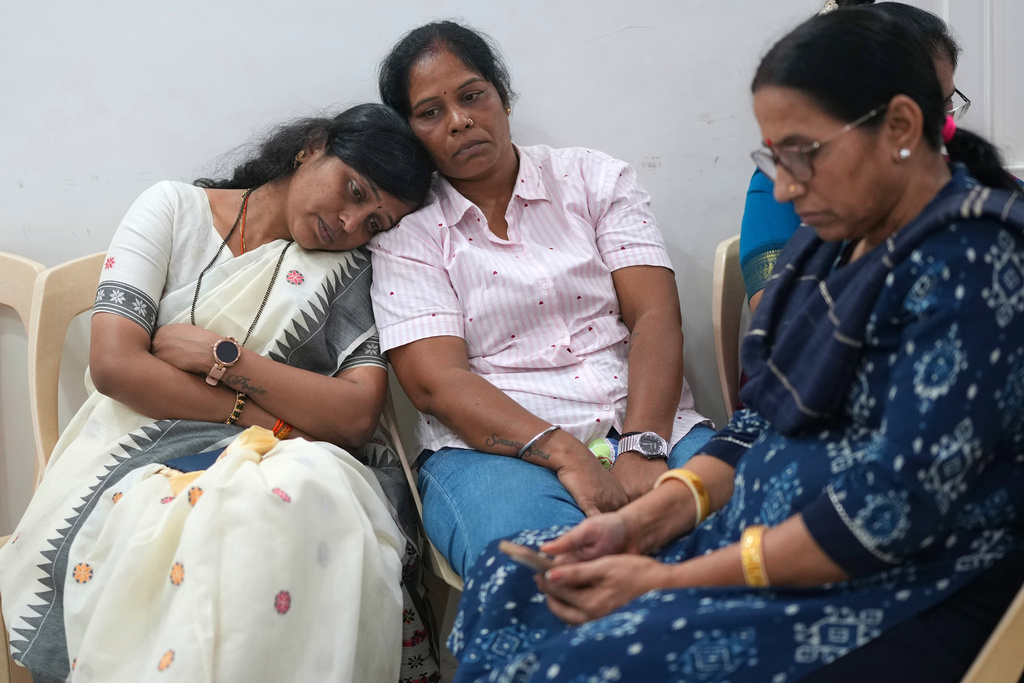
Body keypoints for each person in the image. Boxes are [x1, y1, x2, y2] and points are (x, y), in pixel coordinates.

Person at [444, 8, 1024, 682]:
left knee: (580, 664)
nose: (782, 187)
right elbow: (758, 421)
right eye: (773, 157)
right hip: (759, 542)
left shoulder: (971, 265)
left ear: (899, 126)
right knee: (514, 576)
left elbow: (885, 513)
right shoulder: (835, 240)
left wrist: (669, 581)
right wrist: (645, 524)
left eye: (803, 154)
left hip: (887, 584)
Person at [0, 105, 441, 683]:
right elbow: (115, 367)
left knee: (288, 495)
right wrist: (271, 418)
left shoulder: (348, 269)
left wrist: (224, 360)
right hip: (139, 449)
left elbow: (356, 414)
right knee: (220, 516)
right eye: (353, 190)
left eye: (376, 223)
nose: (352, 223)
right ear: (311, 147)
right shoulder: (173, 209)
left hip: (289, 464)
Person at [371, 21, 713, 578]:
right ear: (411, 132)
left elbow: (654, 315)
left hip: (649, 425)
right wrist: (568, 454)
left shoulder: (594, 179)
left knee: (758, 536)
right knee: (546, 580)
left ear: (502, 97)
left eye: (472, 96)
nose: (459, 121)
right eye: (430, 112)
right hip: (495, 456)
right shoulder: (410, 234)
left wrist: (644, 446)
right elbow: (437, 382)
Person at [740, 0, 970, 312]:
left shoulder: (981, 225)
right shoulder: (798, 199)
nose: (942, 126)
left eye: (942, 104)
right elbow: (777, 321)